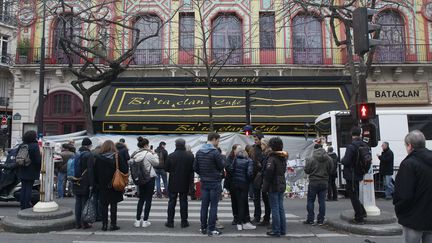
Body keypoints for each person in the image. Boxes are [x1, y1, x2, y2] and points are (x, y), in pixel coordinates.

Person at [394, 130, 432, 243]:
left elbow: (404, 195)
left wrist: (400, 211)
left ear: (410, 146)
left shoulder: (409, 164)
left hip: (413, 219)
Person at [194, 132, 225, 236]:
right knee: (213, 206)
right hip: (215, 182)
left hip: (204, 182)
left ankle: (203, 227)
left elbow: (195, 167)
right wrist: (223, 157)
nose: (218, 142)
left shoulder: (199, 152)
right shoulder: (215, 152)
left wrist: (202, 174)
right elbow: (221, 166)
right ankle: (211, 229)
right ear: (214, 139)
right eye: (218, 140)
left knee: (204, 206)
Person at [94, 140, 128, 231]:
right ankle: (113, 224)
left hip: (102, 185)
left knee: (103, 205)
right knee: (113, 205)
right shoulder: (117, 156)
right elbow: (124, 169)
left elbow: (95, 172)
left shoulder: (98, 158)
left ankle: (104, 225)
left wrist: (97, 183)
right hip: (115, 184)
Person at [164, 138, 194, 228]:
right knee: (184, 201)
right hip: (185, 181)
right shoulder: (190, 156)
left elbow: (166, 168)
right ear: (184, 145)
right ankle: (184, 222)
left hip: (173, 181)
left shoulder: (171, 155)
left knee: (172, 201)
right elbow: (192, 169)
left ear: (175, 145)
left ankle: (170, 222)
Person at [131, 137, 159, 228]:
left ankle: (137, 220)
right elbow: (156, 163)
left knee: (141, 199)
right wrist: (154, 153)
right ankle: (145, 220)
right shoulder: (149, 154)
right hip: (149, 178)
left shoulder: (134, 154)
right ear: (146, 145)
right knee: (148, 200)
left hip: (139, 179)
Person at [341, 127, 367, 224]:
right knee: (356, 194)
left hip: (351, 174)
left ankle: (359, 217)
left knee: (353, 196)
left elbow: (346, 161)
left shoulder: (351, 146)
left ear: (352, 134)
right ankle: (362, 212)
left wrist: (342, 160)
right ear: (360, 134)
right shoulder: (364, 144)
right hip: (359, 173)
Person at [263, 137, 288, 237]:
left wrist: (265, 186)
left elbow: (269, 173)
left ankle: (276, 230)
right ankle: (282, 229)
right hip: (281, 183)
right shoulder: (282, 157)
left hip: (274, 185)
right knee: (280, 207)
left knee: (275, 208)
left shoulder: (272, 158)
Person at [304, 143, 333, 225]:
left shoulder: (311, 158)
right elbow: (331, 170)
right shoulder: (329, 159)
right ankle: (321, 219)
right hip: (324, 181)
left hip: (313, 181)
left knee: (310, 201)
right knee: (322, 201)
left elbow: (307, 170)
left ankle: (310, 219)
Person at [228, 146, 256, 231]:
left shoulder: (235, 160)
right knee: (243, 204)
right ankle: (241, 223)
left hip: (236, 184)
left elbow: (231, 169)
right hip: (244, 185)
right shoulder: (249, 161)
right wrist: (249, 180)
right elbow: (249, 173)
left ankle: (240, 223)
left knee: (239, 203)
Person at [73, 137, 95, 229]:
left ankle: (77, 223)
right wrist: (91, 184)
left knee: (78, 202)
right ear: (88, 145)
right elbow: (90, 170)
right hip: (85, 181)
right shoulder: (89, 155)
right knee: (84, 202)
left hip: (76, 180)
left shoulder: (76, 154)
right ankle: (84, 223)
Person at [17, 130, 41, 210]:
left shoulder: (22, 145)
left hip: (22, 168)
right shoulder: (35, 145)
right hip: (32, 169)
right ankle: (27, 205)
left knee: (23, 188)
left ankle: (22, 205)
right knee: (29, 188)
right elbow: (37, 160)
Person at [250, 132, 270, 226]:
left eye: (257, 139)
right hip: (255, 178)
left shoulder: (265, 151)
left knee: (265, 199)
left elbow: (263, 165)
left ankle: (266, 218)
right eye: (254, 140)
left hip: (262, 177)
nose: (255, 141)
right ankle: (257, 216)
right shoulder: (253, 148)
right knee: (256, 198)